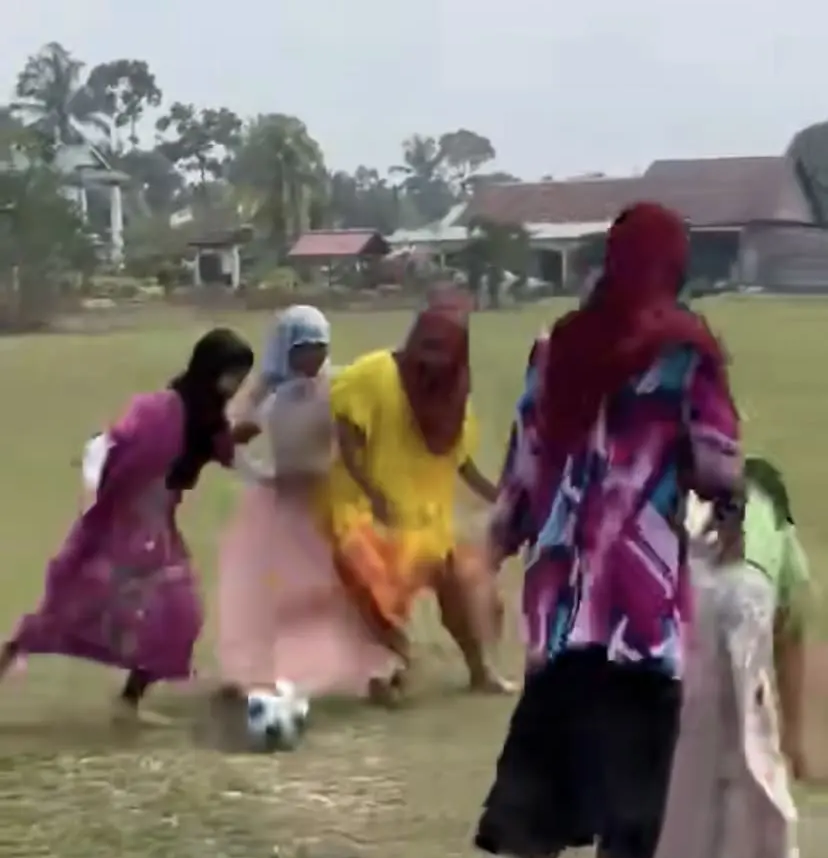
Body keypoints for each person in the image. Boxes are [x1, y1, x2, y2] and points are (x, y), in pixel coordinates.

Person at [474, 202, 743, 858]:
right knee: (634, 790)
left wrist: (495, 547)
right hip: (643, 603)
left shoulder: (554, 349)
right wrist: (724, 520)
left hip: (560, 599)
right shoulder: (686, 355)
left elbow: (525, 463)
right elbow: (717, 465)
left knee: (542, 765)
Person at [0, 327, 255, 723]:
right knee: (83, 603)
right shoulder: (159, 408)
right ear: (210, 368)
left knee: (179, 612)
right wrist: (90, 494)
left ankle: (129, 700)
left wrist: (282, 479)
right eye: (231, 374)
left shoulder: (210, 422)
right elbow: (102, 446)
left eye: (241, 377)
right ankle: (15, 649)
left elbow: (234, 459)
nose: (236, 384)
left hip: (158, 529)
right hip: (122, 527)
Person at [318, 299, 506, 704]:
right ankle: (393, 671)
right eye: (428, 346)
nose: (433, 359)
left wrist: (499, 495)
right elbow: (348, 444)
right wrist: (374, 494)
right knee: (378, 595)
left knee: (460, 589)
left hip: (425, 516)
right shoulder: (372, 374)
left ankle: (481, 671)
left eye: (444, 349)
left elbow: (460, 458)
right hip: (362, 511)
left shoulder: (454, 392)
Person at [655, 457, 810, 858]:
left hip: (695, 588)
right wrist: (794, 732)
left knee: (696, 742)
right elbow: (792, 634)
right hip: (743, 594)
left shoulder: (698, 491)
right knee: (752, 743)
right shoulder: (780, 530)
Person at [216, 306, 400, 699]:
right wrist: (260, 473)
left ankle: (382, 670)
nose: (313, 356)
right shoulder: (270, 394)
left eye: (320, 346)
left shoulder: (340, 385)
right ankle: (261, 673)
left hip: (330, 504)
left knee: (354, 588)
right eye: (303, 347)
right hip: (282, 507)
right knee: (274, 595)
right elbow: (229, 438)